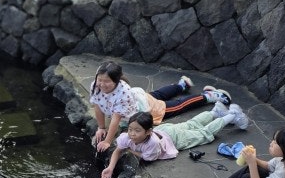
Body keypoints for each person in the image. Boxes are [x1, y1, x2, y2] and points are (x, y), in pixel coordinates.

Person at [90, 62, 232, 153]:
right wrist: (101, 127)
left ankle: (209, 96)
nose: (102, 84)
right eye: (99, 80)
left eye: (106, 81)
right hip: (138, 99)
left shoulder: (123, 92)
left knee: (177, 106)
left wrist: (108, 141)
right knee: (157, 94)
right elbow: (97, 105)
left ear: (116, 81)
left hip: (145, 109)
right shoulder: (95, 86)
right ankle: (182, 85)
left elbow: (115, 119)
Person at [100, 102, 249, 178]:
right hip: (165, 130)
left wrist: (129, 150)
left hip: (174, 138)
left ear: (148, 132)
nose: (132, 133)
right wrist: (111, 168)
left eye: (137, 130)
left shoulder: (152, 143)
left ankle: (231, 115)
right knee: (191, 124)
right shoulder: (127, 137)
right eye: (130, 129)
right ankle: (215, 112)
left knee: (203, 134)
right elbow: (118, 150)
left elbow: (146, 157)